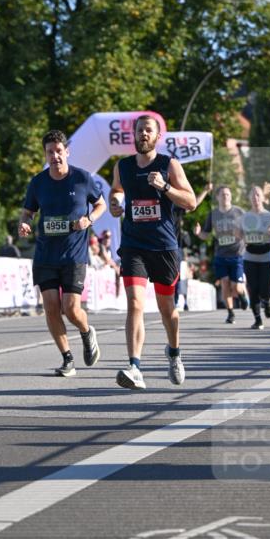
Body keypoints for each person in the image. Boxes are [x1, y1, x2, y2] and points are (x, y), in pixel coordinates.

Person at [110, 114, 196, 389]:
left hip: (164, 246)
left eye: (148, 130)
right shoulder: (122, 166)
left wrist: (166, 186)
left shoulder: (168, 164)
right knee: (135, 303)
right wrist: (114, 202)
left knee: (166, 309)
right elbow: (117, 191)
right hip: (134, 245)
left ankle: (174, 353)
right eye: (139, 130)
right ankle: (135, 367)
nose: (143, 134)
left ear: (158, 136)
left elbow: (191, 201)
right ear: (133, 135)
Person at [18, 130, 105, 377]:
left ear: (67, 151)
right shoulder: (38, 182)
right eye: (50, 152)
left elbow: (101, 205)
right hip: (46, 255)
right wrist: (24, 223)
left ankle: (87, 332)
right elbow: (28, 212)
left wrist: (89, 219)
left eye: (59, 151)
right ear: (45, 154)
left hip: (74, 254)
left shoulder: (82, 179)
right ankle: (67, 358)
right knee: (52, 308)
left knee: (71, 308)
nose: (55, 156)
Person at [194, 185, 248, 324]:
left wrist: (245, 237)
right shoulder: (213, 214)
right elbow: (206, 234)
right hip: (221, 255)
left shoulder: (239, 212)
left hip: (237, 253)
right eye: (222, 194)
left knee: (236, 287)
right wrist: (199, 233)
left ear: (231, 196)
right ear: (217, 197)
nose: (225, 197)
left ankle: (242, 296)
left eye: (228, 194)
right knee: (224, 283)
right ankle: (230, 313)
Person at [241, 185, 270, 330]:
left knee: (264, 288)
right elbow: (238, 233)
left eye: (258, 195)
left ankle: (267, 301)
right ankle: (257, 319)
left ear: (263, 198)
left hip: (266, 256)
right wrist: (238, 234)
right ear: (250, 198)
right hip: (250, 256)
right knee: (253, 288)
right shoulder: (245, 217)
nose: (255, 198)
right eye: (253, 195)